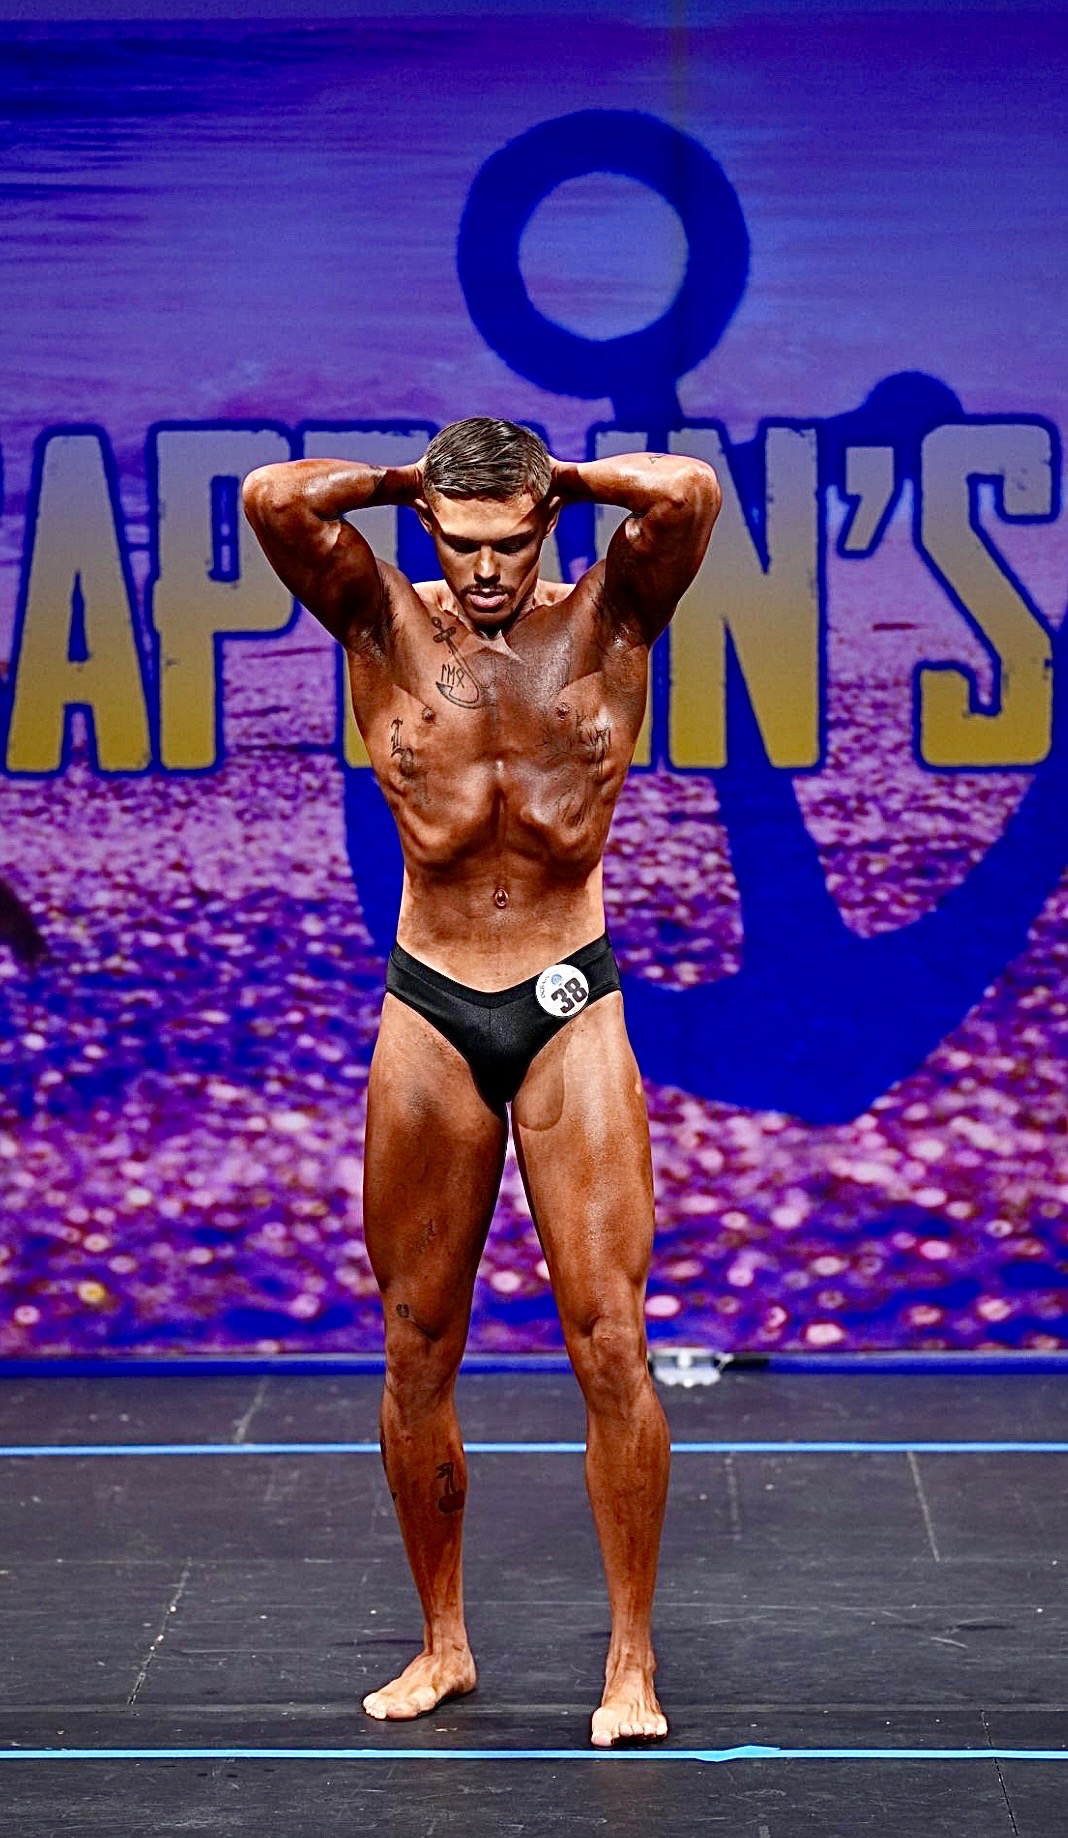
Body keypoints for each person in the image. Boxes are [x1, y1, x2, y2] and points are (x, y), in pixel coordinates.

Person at [243, 419, 720, 1747]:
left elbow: (688, 491)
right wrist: (407, 480)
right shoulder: (384, 620)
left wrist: (561, 480)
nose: (490, 568)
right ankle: (442, 1643)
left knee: (611, 1341)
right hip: (433, 1003)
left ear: (546, 524)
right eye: (463, 544)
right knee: (415, 1344)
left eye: (512, 541)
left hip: (569, 998)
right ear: (428, 530)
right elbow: (273, 497)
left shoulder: (611, 617)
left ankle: (631, 1662)